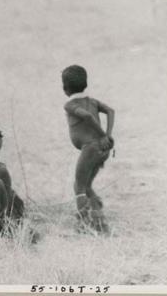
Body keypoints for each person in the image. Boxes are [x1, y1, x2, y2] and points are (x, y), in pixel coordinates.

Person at [61, 65, 115, 234]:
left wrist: (102, 135)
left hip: (91, 148)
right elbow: (111, 111)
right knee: (87, 185)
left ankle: (84, 225)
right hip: (101, 150)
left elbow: (87, 116)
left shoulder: (70, 104)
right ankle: (100, 222)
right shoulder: (92, 101)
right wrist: (107, 134)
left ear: (65, 88)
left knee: (79, 187)